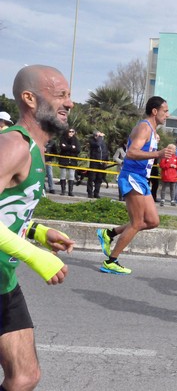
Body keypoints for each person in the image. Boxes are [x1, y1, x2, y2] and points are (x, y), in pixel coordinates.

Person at [1, 64, 73, 391]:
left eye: (69, 95)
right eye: (60, 95)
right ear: (29, 99)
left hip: (4, 279)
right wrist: (33, 255)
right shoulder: (15, 145)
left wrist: (39, 232)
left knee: (25, 376)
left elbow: (7, 210)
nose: (70, 103)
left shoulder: (36, 148)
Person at [95, 96, 174, 275]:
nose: (167, 115)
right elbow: (130, 153)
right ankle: (111, 261)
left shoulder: (152, 131)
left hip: (141, 179)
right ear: (155, 111)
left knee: (153, 221)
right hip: (132, 177)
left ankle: (109, 234)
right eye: (165, 111)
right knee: (137, 222)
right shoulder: (144, 127)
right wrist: (158, 153)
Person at [57, 127, 80, 196]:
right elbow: (62, 147)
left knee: (71, 175)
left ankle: (70, 191)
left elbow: (78, 150)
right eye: (70, 131)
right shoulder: (63, 138)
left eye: (73, 132)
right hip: (64, 160)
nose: (71, 133)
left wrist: (67, 147)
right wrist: (71, 147)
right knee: (63, 175)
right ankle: (63, 190)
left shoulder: (76, 140)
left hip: (72, 160)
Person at [87, 130, 108, 198]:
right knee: (92, 178)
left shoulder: (102, 142)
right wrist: (100, 138)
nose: (99, 137)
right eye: (98, 136)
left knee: (99, 178)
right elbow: (97, 144)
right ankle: (90, 192)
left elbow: (105, 151)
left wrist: (106, 161)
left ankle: (96, 192)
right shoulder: (92, 141)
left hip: (101, 163)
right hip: (94, 162)